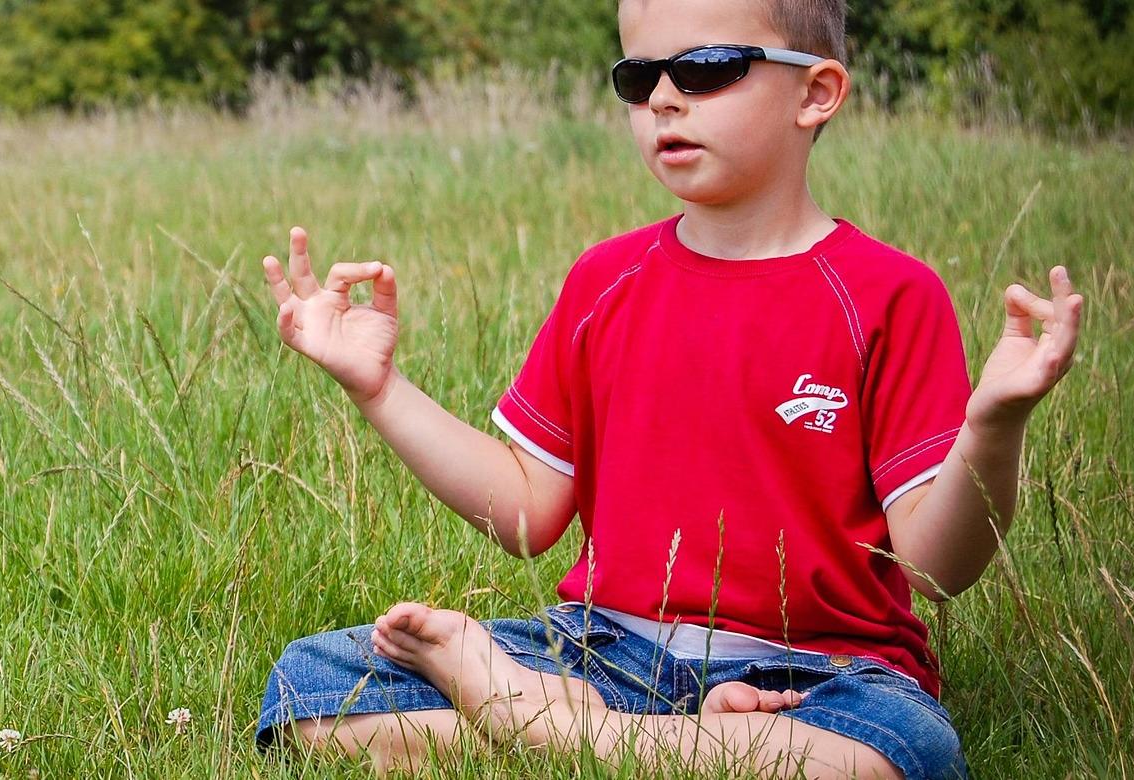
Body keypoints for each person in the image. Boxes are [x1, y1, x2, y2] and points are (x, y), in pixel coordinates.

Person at [252, 0, 1086, 777]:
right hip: (602, 652)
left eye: (705, 69)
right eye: (636, 76)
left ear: (817, 92)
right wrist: (380, 389)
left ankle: (529, 718)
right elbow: (525, 512)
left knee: (900, 750)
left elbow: (936, 570)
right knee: (311, 686)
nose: (661, 100)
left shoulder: (887, 295)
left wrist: (991, 430)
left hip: (822, 675)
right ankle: (633, 736)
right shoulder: (605, 281)